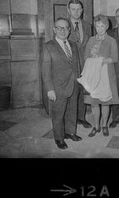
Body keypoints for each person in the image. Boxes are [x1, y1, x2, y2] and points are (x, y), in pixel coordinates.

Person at [41, 18, 82, 149]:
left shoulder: (73, 44)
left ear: (70, 30)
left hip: (74, 84)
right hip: (58, 87)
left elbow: (76, 65)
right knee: (58, 114)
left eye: (66, 28)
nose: (63, 30)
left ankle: (70, 132)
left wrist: (79, 81)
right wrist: (49, 89)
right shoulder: (48, 46)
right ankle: (59, 138)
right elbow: (45, 71)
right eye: (60, 28)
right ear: (54, 30)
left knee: (72, 110)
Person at [81, 14, 119, 137]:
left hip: (106, 74)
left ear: (107, 26)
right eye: (97, 26)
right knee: (94, 102)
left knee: (105, 102)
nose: (100, 28)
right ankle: (96, 126)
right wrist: (93, 61)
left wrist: (101, 60)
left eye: (102, 26)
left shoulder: (111, 41)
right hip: (93, 73)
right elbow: (86, 57)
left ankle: (104, 125)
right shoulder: (91, 40)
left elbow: (114, 58)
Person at [67, 0, 92, 129]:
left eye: (79, 9)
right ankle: (71, 120)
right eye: (73, 9)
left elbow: (91, 45)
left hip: (85, 65)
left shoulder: (87, 25)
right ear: (68, 10)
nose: (76, 12)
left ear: (82, 10)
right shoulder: (63, 25)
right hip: (69, 66)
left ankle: (81, 118)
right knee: (71, 93)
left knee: (82, 92)